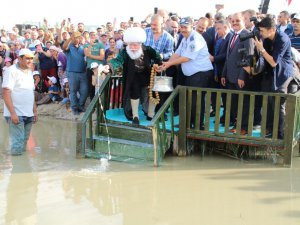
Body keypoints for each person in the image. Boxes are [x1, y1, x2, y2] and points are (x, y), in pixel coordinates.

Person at [161, 17, 214, 129]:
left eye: (186, 27)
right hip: (192, 74)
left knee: (196, 101)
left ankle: (198, 126)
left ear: (191, 27)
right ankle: (187, 124)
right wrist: (166, 64)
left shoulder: (196, 38)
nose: (183, 29)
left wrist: (169, 64)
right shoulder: (185, 38)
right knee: (189, 100)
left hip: (201, 73)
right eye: (182, 27)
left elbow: (186, 58)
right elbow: (177, 53)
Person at [108, 27, 162, 125]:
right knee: (134, 93)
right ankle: (135, 116)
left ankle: (151, 114)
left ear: (140, 44)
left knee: (150, 94)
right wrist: (108, 65)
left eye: (135, 45)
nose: (132, 47)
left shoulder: (148, 49)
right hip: (133, 76)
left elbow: (157, 57)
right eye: (130, 45)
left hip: (147, 76)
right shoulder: (125, 51)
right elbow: (117, 61)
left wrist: (159, 64)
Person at [254, 16, 294, 139]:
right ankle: (270, 129)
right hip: (270, 73)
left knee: (278, 102)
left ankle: (280, 135)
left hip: (282, 73)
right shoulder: (266, 38)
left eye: (262, 31)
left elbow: (273, 62)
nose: (260, 33)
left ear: (271, 29)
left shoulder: (282, 38)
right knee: (268, 100)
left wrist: (261, 49)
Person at [2, 48, 38, 155]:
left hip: (28, 113)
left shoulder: (29, 72)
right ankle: (17, 168)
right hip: (16, 113)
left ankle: (21, 166)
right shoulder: (11, 71)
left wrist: (34, 111)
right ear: (19, 58)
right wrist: (13, 114)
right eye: (27, 58)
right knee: (17, 145)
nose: (30, 61)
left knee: (23, 143)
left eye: (31, 59)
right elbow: (6, 92)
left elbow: (31, 93)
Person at [63, 31, 88, 115]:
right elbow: (64, 46)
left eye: (78, 37)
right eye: (75, 37)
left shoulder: (83, 47)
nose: (77, 39)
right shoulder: (69, 47)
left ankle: (81, 106)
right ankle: (75, 108)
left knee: (84, 91)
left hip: (83, 72)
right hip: (72, 73)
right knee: (73, 91)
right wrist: (70, 37)